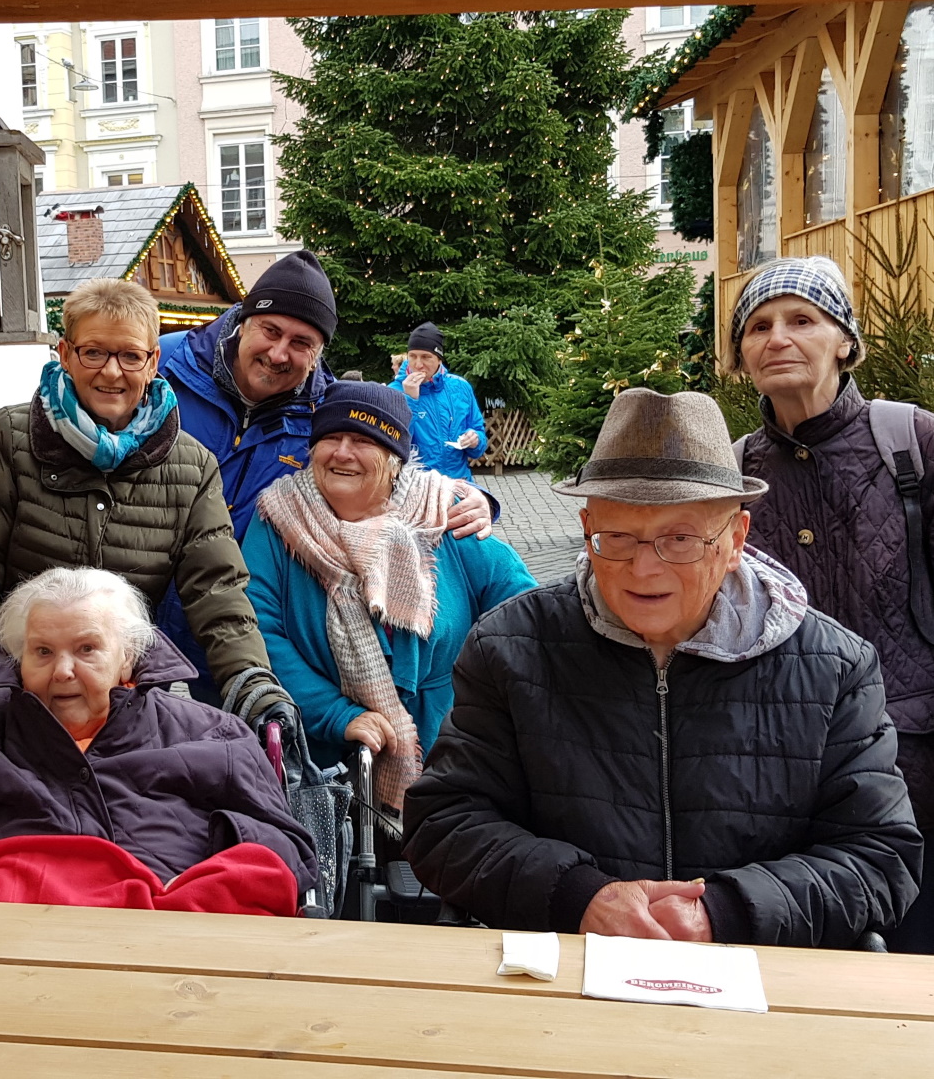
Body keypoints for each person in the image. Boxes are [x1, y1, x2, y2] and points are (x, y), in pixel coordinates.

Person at [403, 388, 922, 949]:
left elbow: (880, 856)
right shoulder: (510, 647)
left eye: (680, 539)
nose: (643, 568)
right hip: (563, 972)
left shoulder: (834, 668)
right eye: (616, 537)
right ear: (586, 527)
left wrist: (724, 913)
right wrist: (580, 897)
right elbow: (444, 823)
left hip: (762, 981)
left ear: (735, 539)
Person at [0, 568, 317, 915]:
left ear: (129, 656)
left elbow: (287, 855)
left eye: (87, 649)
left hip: (175, 958)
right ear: (19, 660)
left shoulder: (214, 733)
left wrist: (194, 883)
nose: (63, 671)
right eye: (43, 652)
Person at [0, 278, 283, 719]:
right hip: (17, 688)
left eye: (130, 356)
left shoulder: (192, 466)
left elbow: (216, 590)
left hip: (123, 697)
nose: (112, 372)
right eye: (94, 352)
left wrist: (251, 679)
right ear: (65, 354)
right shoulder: (12, 438)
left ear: (153, 362)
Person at [155, 252, 494, 696]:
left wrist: (475, 501)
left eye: (301, 343)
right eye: (270, 330)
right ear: (243, 321)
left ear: (317, 354)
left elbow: (387, 473)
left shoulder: (324, 412)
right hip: (138, 603)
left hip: (231, 626)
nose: (279, 353)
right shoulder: (162, 364)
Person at [730, 255, 934, 953]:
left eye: (801, 320)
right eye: (758, 327)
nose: (777, 338)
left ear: (845, 341)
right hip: (781, 769)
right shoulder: (735, 472)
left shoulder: (911, 442)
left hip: (914, 763)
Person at [244, 382, 535, 808]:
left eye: (363, 440)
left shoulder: (442, 509)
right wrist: (337, 714)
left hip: (451, 750)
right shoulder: (278, 517)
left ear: (394, 459)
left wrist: (483, 701)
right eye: (330, 438)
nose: (343, 452)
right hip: (321, 765)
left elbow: (519, 609)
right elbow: (257, 629)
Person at [389, 321, 488, 481]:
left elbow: (478, 440)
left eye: (426, 357)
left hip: (459, 484)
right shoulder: (393, 392)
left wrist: (475, 439)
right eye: (412, 356)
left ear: (439, 359)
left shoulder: (460, 387)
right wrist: (410, 400)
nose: (418, 364)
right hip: (415, 486)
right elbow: (394, 446)